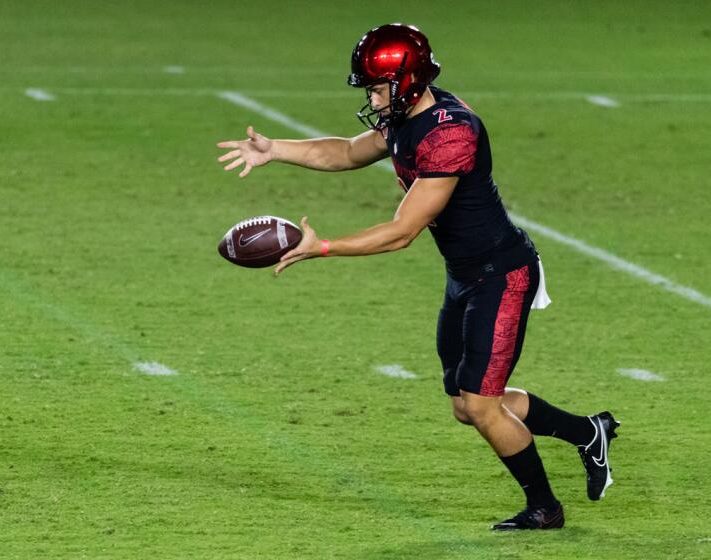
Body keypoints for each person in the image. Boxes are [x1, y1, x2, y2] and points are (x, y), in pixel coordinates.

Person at [216, 23, 619, 530]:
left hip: (502, 275)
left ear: (405, 82)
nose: (371, 96)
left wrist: (321, 247)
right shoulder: (407, 114)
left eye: (377, 86)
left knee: (481, 403)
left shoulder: (449, 133)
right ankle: (588, 432)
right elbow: (345, 151)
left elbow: (403, 231)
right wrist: (276, 149)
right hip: (466, 276)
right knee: (465, 405)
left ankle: (545, 508)